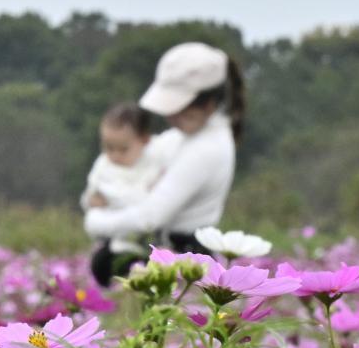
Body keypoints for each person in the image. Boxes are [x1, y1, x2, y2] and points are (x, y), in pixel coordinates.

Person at [84, 42, 243, 274]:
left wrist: (95, 221)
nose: (170, 116)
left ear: (208, 104)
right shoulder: (182, 137)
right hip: (165, 248)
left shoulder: (208, 148)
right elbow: (136, 161)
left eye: (179, 110)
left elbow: (150, 217)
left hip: (186, 256)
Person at [81, 102, 182, 286]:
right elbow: (91, 194)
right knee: (102, 265)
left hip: (152, 238)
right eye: (108, 147)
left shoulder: (154, 159)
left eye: (123, 149)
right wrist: (92, 199)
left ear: (144, 140)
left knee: (156, 269)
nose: (115, 155)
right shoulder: (104, 165)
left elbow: (161, 197)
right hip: (116, 238)